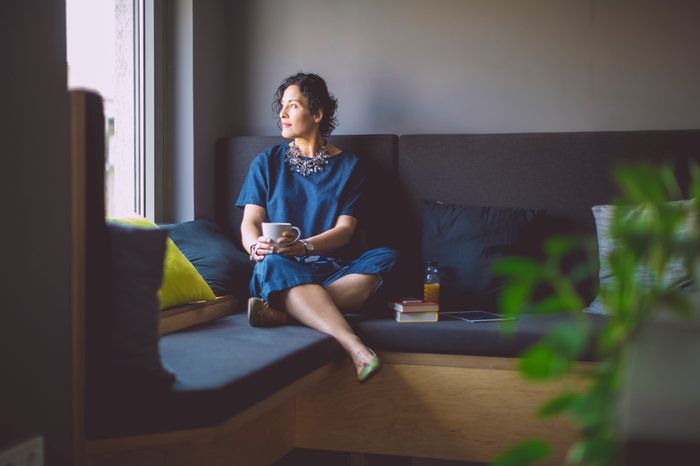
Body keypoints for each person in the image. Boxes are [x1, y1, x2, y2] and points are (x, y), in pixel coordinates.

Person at [236, 72, 398, 383]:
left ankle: (286, 312)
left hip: (331, 268)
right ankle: (355, 346)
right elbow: (250, 221)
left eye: (292, 106)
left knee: (387, 258)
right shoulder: (265, 163)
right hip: (281, 268)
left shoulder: (351, 167)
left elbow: (345, 230)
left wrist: (306, 246)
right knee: (272, 263)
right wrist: (254, 245)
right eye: (282, 106)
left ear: (317, 113)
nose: (282, 114)